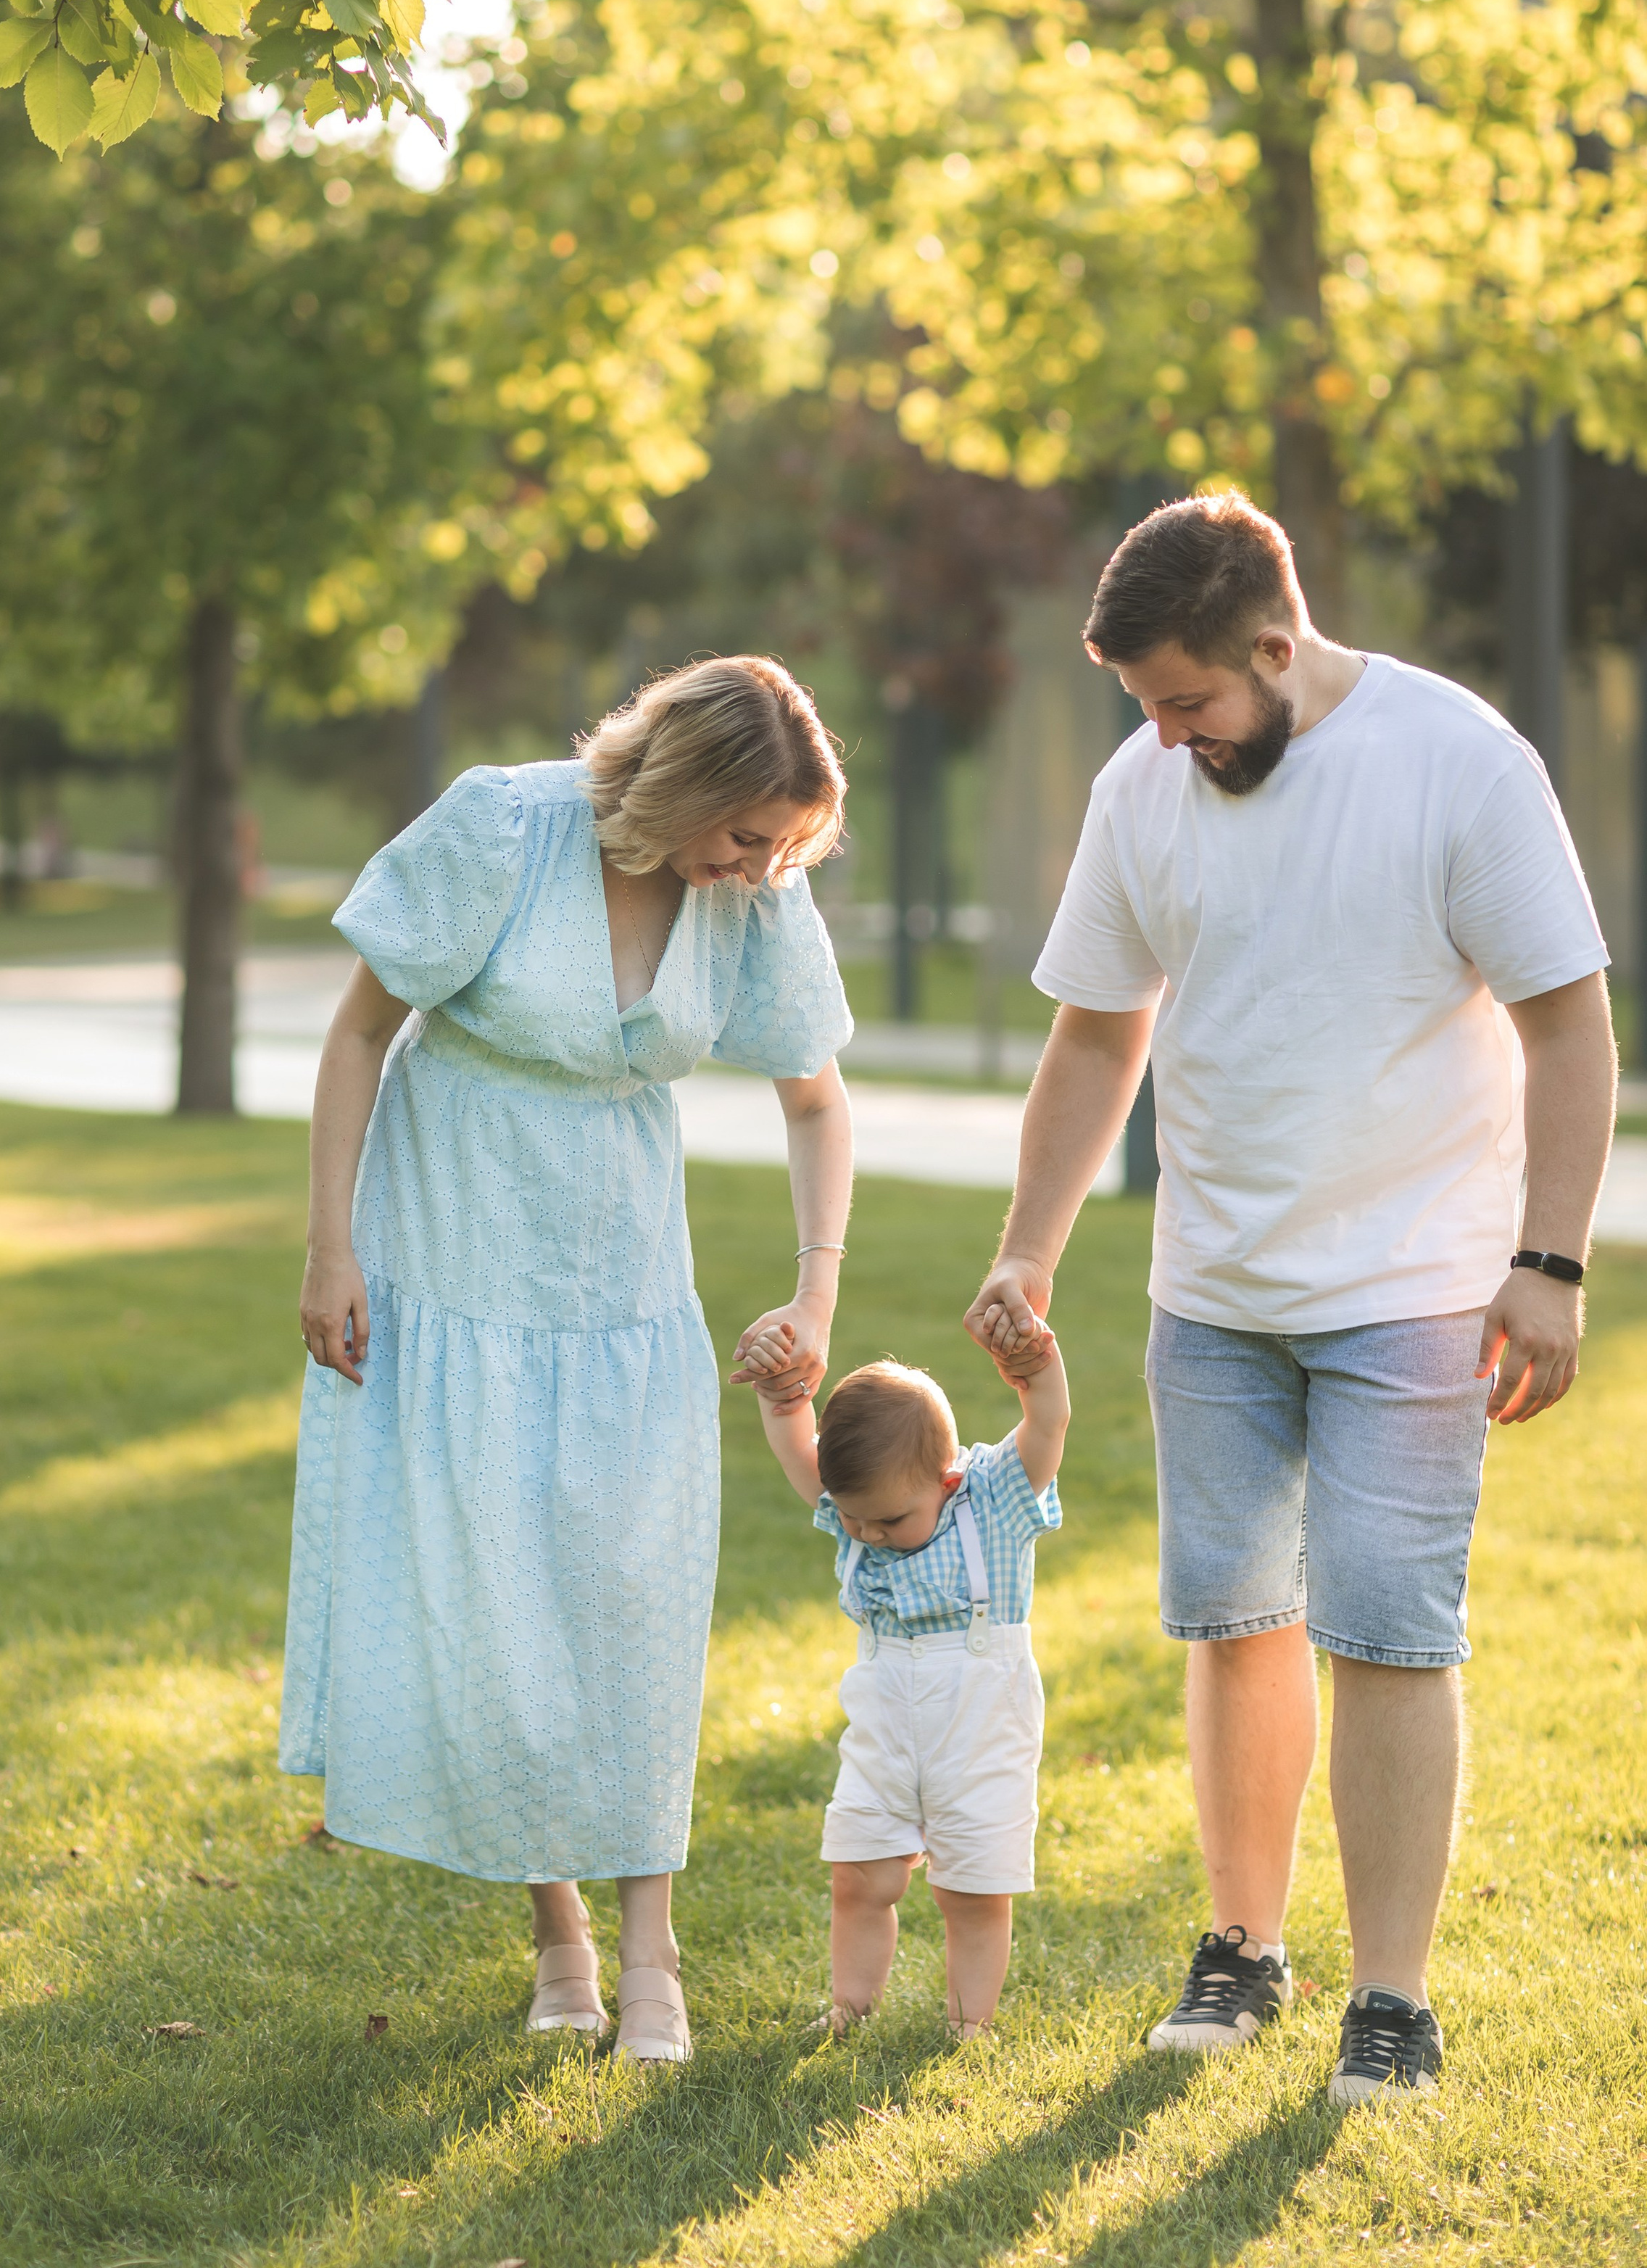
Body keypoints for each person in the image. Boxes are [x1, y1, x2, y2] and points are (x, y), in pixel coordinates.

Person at [966, 492, 1615, 2105]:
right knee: (1232, 1622)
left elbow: (1565, 1021)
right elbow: (1095, 1036)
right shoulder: (1143, 787)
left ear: (1273, 643)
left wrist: (1547, 1260)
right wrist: (1025, 1246)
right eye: (1144, 709)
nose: (1168, 737)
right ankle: (1241, 1947)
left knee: (1389, 1633)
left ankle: (1388, 2001)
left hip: (1413, 1286)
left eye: (1188, 702)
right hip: (1214, 1291)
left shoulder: (1456, 761)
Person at [280, 654, 855, 2064]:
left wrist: (813, 1294)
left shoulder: (754, 895)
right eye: (744, 832)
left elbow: (813, 1102)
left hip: (620, 1276)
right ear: (678, 788)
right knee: (494, 1596)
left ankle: (654, 1955)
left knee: (628, 1591)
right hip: (453, 1248)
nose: (761, 865)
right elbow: (359, 1032)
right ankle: (561, 1939)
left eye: (784, 844)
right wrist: (329, 1248)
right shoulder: (500, 826)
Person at [739, 1335, 1069, 2039]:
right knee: (860, 1876)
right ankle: (848, 2009)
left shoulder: (994, 1503)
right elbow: (802, 1455)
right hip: (884, 1731)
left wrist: (1039, 1373)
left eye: (888, 1520)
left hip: (978, 1735)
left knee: (971, 1890)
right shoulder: (859, 1511)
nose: (868, 1535)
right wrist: (781, 1398)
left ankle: (968, 2023)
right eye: (854, 1519)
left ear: (947, 1481)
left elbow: (1046, 1426)